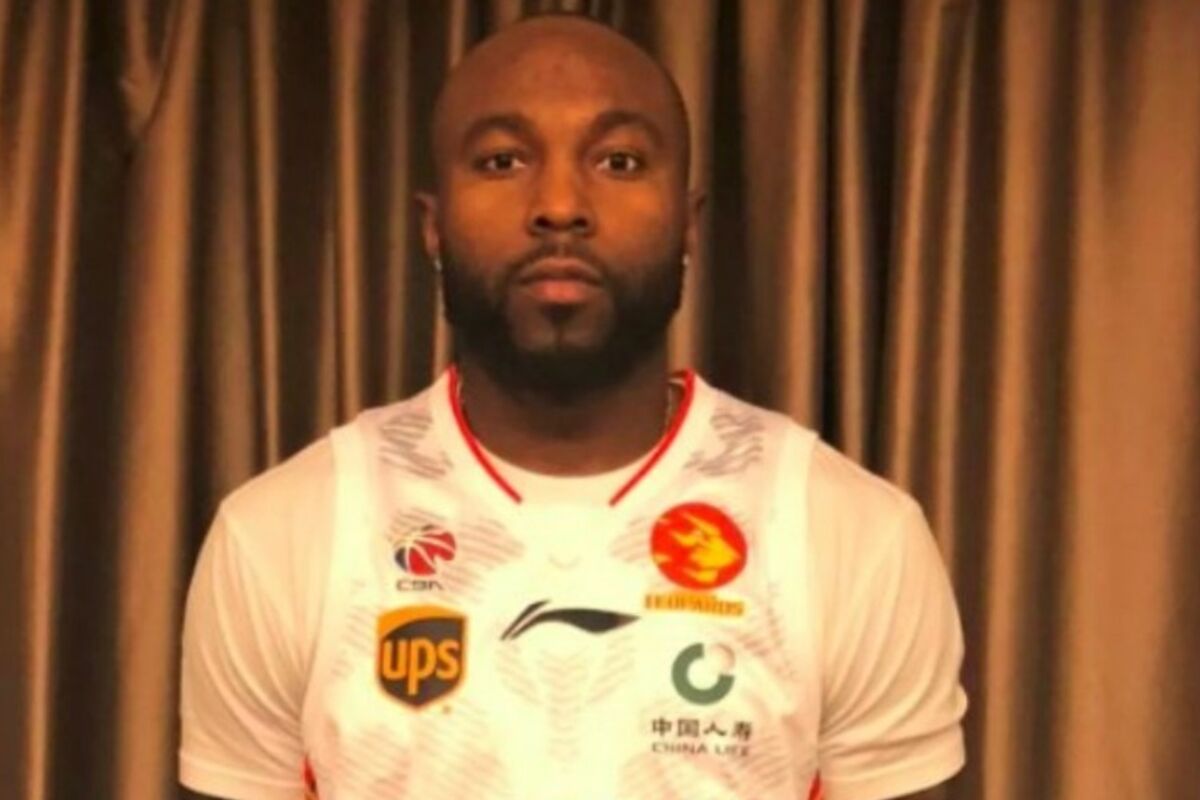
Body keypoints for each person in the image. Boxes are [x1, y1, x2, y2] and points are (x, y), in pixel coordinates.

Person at [179, 12, 967, 800]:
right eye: (503, 160)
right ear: (433, 226)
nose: (559, 205)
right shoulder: (280, 535)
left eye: (619, 160)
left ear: (687, 224)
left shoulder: (855, 536)